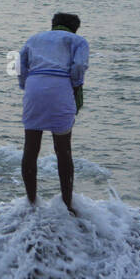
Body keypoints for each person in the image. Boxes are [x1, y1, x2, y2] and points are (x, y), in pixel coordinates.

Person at [18, 12, 89, 215]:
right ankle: (67, 204)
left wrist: (28, 87)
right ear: (75, 28)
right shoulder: (78, 40)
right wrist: (75, 85)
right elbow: (78, 66)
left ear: (53, 25)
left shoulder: (34, 38)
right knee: (63, 150)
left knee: (30, 148)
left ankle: (31, 202)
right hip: (60, 87)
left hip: (34, 86)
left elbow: (21, 68)